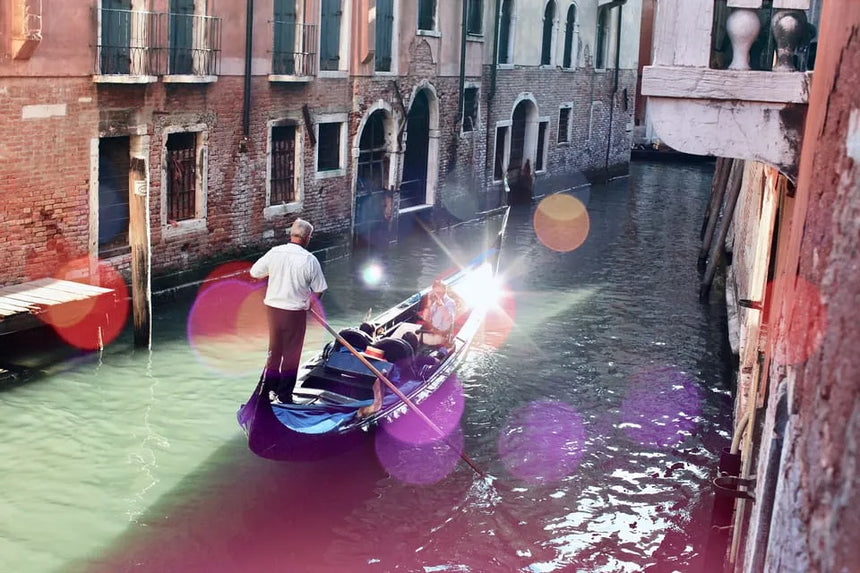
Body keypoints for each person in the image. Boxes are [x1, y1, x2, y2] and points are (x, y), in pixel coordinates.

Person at [250, 218, 327, 403]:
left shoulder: (275, 253)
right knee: (291, 354)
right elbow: (319, 289)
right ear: (307, 238)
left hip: (273, 310)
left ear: (291, 234)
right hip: (294, 313)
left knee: (274, 351)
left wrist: (273, 272)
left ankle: (268, 390)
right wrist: (309, 304)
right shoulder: (310, 260)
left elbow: (255, 272)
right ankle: (284, 396)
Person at [419, 279, 456, 347]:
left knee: (410, 337)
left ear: (445, 291)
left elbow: (449, 319)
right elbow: (425, 318)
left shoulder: (450, 302)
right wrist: (429, 303)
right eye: (435, 292)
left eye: (439, 292)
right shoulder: (435, 302)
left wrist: (441, 305)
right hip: (430, 331)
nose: (437, 295)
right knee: (405, 330)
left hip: (440, 335)